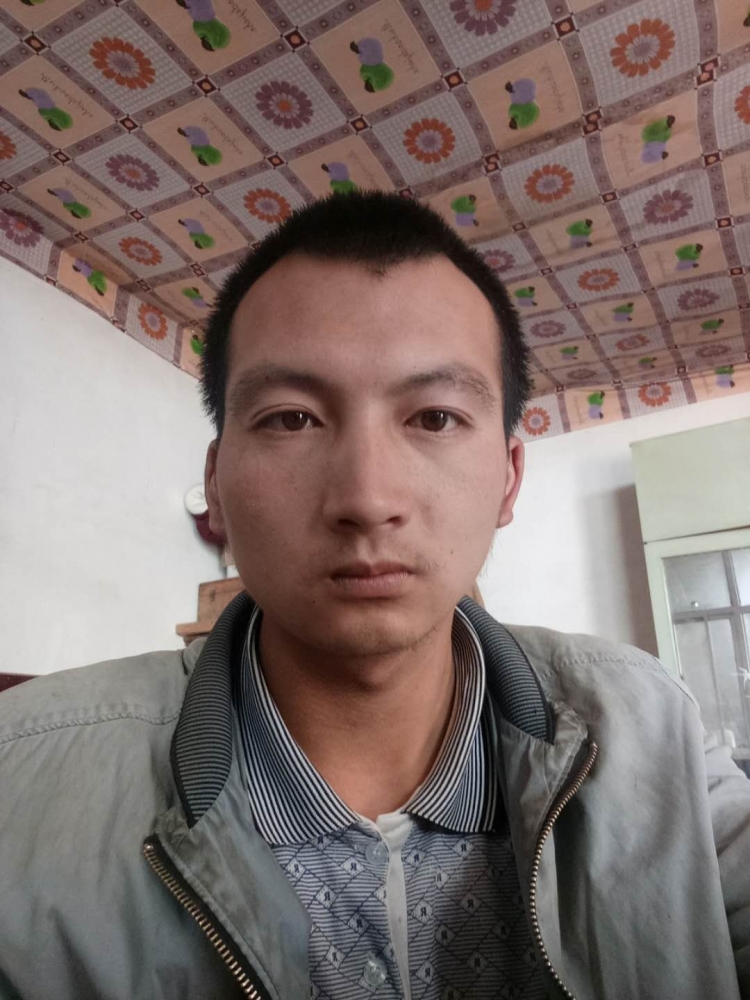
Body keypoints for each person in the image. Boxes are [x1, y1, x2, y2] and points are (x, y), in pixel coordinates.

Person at [1, 191, 748, 1000]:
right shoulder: (21, 790)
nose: (366, 497)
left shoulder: (655, 737)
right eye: (292, 418)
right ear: (215, 483)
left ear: (508, 479)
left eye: (435, 417)